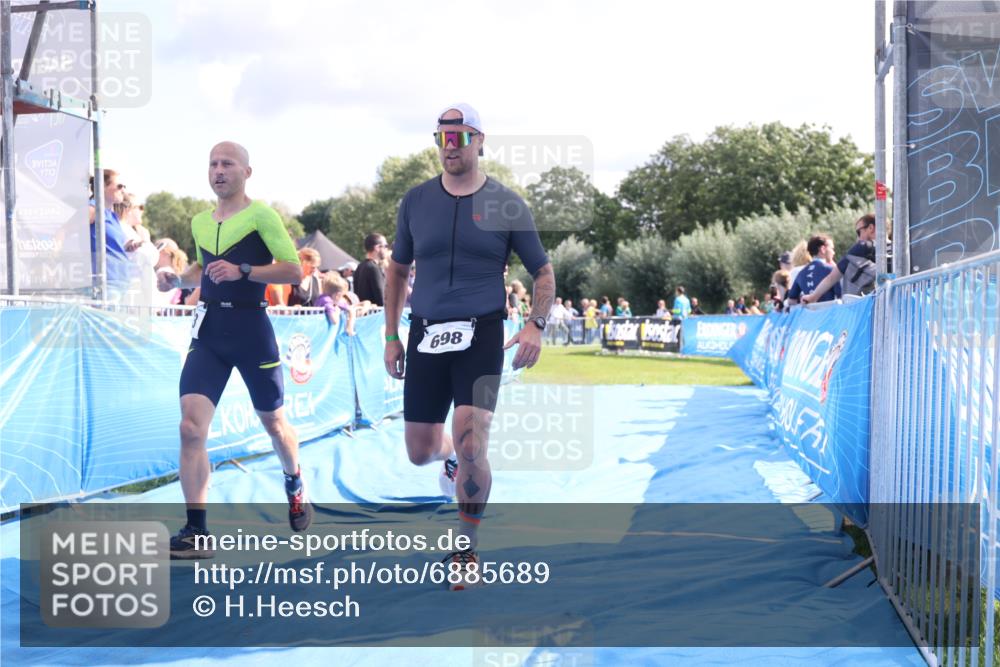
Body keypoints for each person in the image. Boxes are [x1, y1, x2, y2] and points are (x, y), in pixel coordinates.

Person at [383, 103, 554, 590]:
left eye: (459, 137)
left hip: (481, 332)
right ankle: (452, 458)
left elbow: (542, 271)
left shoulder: (507, 203)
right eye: (442, 137)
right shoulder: (415, 201)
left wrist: (535, 324)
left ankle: (466, 547)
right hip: (425, 333)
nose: (450, 146)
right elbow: (396, 271)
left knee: (473, 436)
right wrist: (392, 335)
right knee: (419, 451)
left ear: (480, 140)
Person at [156, 141, 311, 558]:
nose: (219, 170)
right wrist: (178, 281)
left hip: (251, 329)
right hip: (210, 331)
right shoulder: (200, 221)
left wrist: (245, 269)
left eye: (228, 163)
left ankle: (294, 479)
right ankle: (196, 530)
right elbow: (203, 269)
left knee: (275, 425)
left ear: (247, 172)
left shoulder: (261, 215)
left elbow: (293, 269)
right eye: (213, 163)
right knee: (190, 428)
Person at [802, 214, 878, 304]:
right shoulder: (896, 248)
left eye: (858, 232)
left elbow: (832, 278)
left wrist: (813, 297)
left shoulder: (862, 247)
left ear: (870, 228)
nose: (858, 238)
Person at [88, 169, 132, 299]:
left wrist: (130, 245)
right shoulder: (93, 209)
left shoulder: (111, 215)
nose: (123, 190)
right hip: (106, 284)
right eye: (119, 186)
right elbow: (64, 231)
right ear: (102, 187)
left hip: (119, 283)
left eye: (124, 186)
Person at [787, 234, 841, 305]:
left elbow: (791, 301)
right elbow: (842, 297)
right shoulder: (832, 270)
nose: (833, 252)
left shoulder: (801, 273)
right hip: (830, 314)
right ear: (823, 249)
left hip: (810, 315)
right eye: (832, 249)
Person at [353, 233, 389, 306]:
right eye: (385, 246)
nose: (387, 249)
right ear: (377, 248)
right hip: (375, 315)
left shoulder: (360, 266)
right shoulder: (373, 268)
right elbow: (381, 297)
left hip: (363, 314)